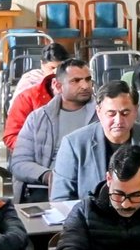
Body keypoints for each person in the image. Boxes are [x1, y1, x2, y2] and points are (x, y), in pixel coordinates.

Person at [50, 81, 140, 201]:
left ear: (136, 111)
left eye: (125, 113)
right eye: (111, 114)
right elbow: (61, 199)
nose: (118, 121)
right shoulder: (74, 144)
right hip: (91, 214)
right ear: (99, 112)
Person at [12, 59, 97, 202]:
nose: (85, 86)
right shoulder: (38, 118)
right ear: (58, 86)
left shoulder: (103, 115)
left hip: (91, 189)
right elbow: (19, 163)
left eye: (88, 79)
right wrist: (47, 176)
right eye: (76, 81)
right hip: (44, 188)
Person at [3, 44, 72, 149]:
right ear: (42, 65)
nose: (56, 72)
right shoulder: (28, 90)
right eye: (52, 68)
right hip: (35, 147)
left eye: (61, 68)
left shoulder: (77, 88)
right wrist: (37, 150)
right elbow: (12, 135)